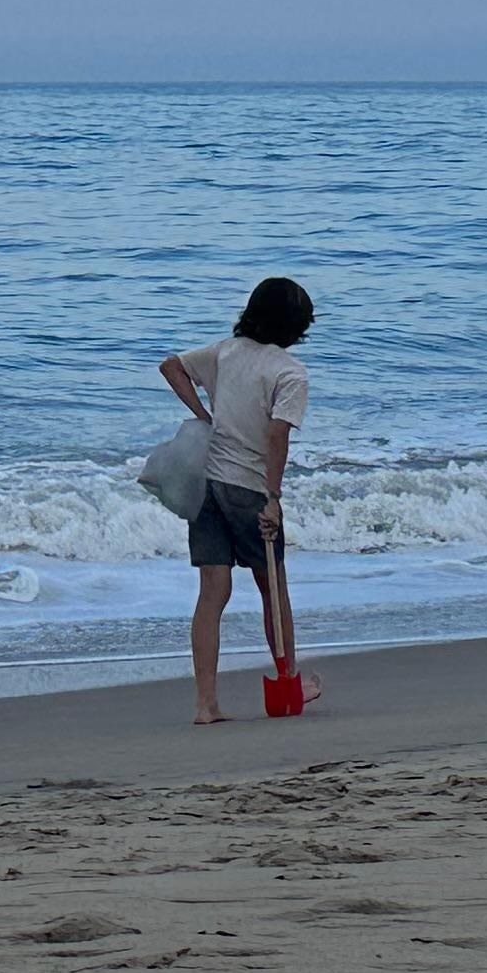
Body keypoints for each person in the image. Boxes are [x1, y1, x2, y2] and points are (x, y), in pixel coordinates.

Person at [161, 275, 314, 725]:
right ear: (295, 326)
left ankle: (205, 704)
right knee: (273, 589)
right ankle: (289, 680)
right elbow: (277, 436)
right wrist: (272, 498)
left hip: (208, 483)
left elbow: (171, 366)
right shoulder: (289, 372)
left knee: (212, 592)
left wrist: (204, 416)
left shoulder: (225, 353)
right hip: (248, 485)